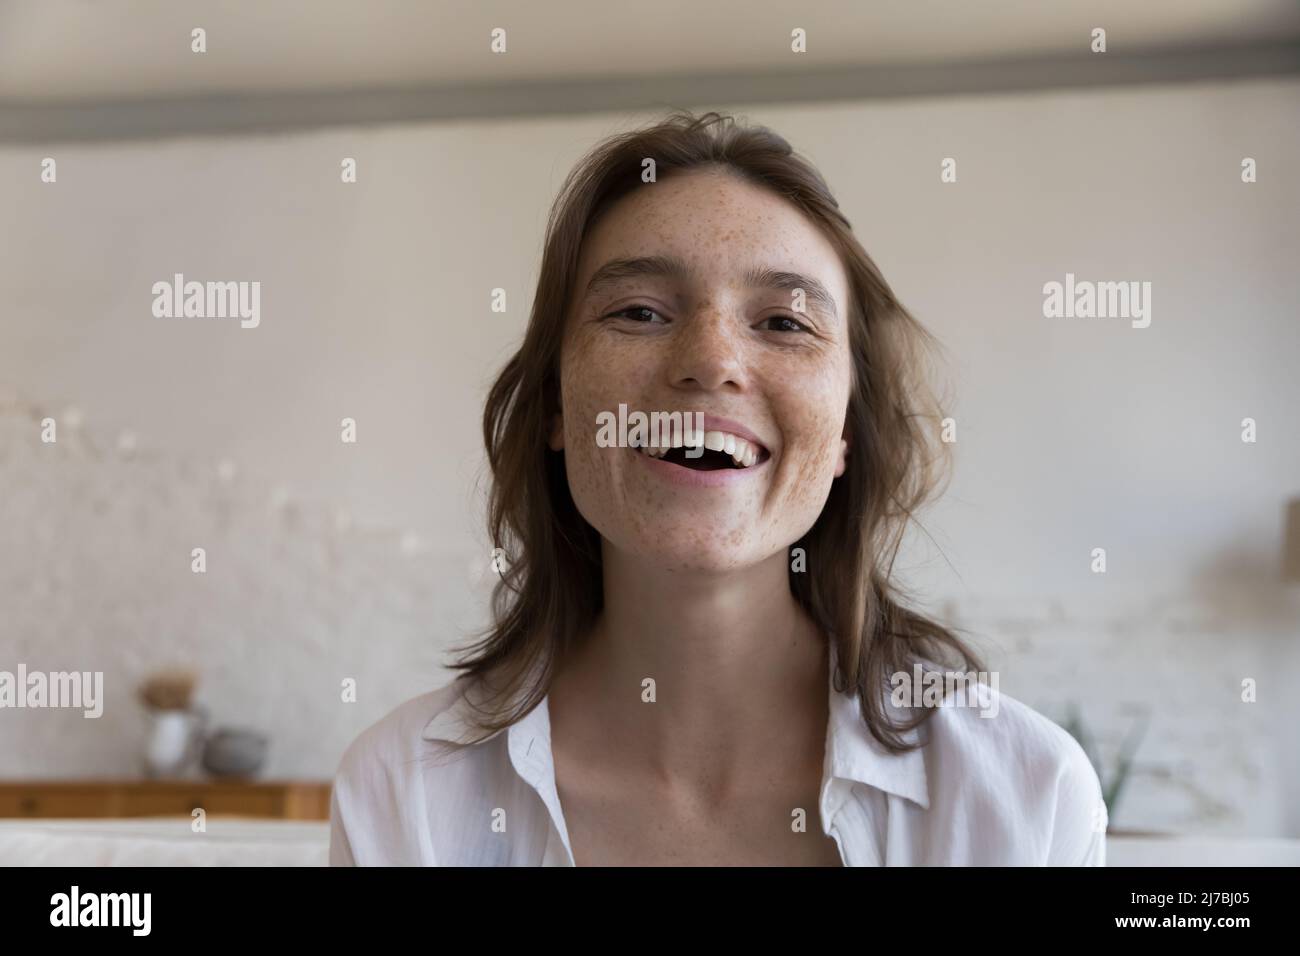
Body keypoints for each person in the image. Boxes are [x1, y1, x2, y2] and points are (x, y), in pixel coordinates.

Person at [329, 110, 1107, 866]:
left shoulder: (1026, 799)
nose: (712, 360)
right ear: (556, 408)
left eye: (785, 323)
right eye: (638, 311)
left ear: (844, 436)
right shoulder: (404, 796)